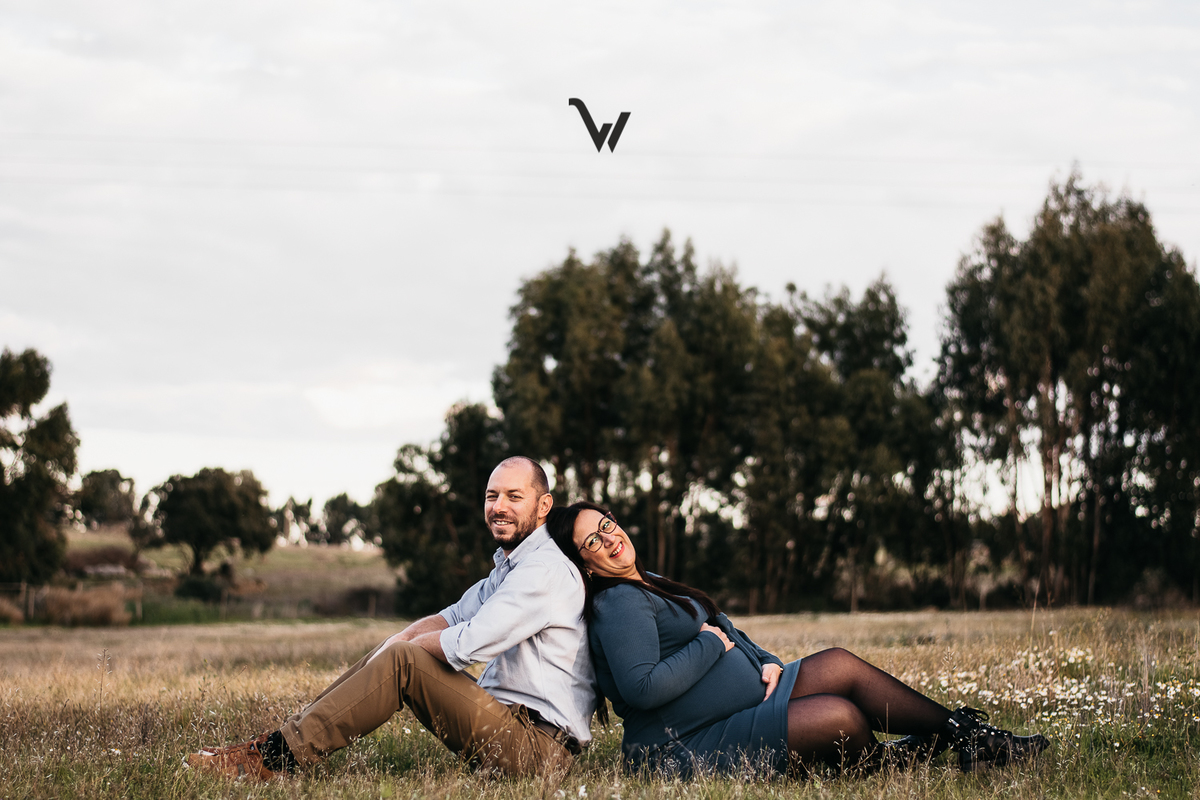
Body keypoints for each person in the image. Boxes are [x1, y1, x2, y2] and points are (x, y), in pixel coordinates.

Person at [546, 500, 1050, 778]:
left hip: (739, 705)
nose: (611, 538)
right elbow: (642, 689)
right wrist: (709, 648)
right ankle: (890, 762)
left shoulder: (645, 580)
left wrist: (763, 659)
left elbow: (722, 626)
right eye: (594, 540)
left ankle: (970, 737)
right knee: (839, 715)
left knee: (839, 664)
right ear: (584, 564)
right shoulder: (616, 603)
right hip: (683, 745)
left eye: (607, 524)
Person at [186, 456, 596, 781]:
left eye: (513, 496)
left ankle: (273, 761)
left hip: (540, 750)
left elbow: (467, 644)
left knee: (403, 660)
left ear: (544, 505)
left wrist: (400, 653)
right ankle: (273, 747)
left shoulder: (543, 570)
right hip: (512, 727)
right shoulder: (512, 566)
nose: (499, 507)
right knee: (397, 651)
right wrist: (395, 643)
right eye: (491, 496)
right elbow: (452, 616)